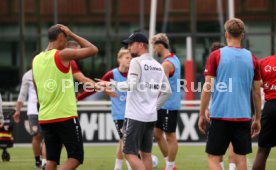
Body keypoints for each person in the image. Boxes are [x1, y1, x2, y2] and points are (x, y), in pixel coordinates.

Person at [97, 32, 171, 170]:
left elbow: (130, 85)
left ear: (141, 45)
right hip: (150, 117)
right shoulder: (157, 65)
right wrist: (154, 107)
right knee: (146, 154)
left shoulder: (137, 62)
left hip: (136, 116)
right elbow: (167, 92)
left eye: (131, 44)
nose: (129, 48)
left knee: (128, 153)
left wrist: (111, 84)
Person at [198, 18, 262, 170]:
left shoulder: (216, 55)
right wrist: (257, 118)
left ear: (226, 34)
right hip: (243, 116)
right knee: (240, 159)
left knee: (213, 158)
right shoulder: (252, 58)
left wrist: (201, 113)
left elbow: (207, 87)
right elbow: (256, 92)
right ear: (243, 35)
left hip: (220, 115)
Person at [32, 24, 98, 170]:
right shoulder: (62, 54)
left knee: (51, 159)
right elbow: (93, 49)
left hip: (45, 116)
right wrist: (73, 34)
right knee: (76, 157)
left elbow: (37, 89)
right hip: (64, 115)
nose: (67, 42)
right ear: (61, 37)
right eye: (66, 38)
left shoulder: (36, 59)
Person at [151, 33, 181, 170]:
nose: (153, 50)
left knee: (170, 136)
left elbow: (161, 88)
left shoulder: (166, 64)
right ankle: (170, 164)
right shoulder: (174, 58)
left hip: (168, 104)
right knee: (157, 134)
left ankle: (169, 167)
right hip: (163, 105)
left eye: (153, 46)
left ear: (160, 45)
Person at [204, 42, 236, 170]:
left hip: (218, 109)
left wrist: (205, 109)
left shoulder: (212, 65)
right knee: (232, 142)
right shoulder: (232, 66)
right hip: (235, 108)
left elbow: (208, 88)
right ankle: (232, 168)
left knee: (216, 147)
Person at [13, 67, 43, 168]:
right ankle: (38, 160)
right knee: (37, 135)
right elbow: (22, 94)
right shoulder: (28, 75)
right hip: (33, 111)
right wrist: (17, 110)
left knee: (48, 137)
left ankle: (46, 161)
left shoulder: (49, 71)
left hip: (48, 109)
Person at [252, 54, 276, 170]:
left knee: (263, 150)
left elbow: (255, 84)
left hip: (270, 107)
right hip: (270, 104)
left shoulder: (264, 62)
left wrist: (269, 85)